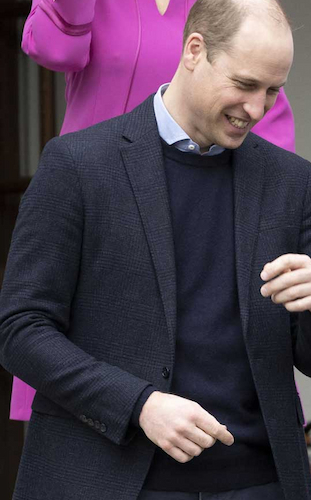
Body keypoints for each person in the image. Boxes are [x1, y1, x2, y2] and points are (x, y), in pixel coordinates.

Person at [0, 1, 311, 499]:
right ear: (194, 51)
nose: (257, 108)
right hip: (111, 478)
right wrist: (139, 405)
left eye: (273, 90)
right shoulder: (78, 166)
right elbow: (22, 332)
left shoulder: (291, 182)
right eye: (245, 84)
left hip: (259, 483)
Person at [11, 0, 296, 422]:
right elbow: (54, 49)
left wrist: (276, 228)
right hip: (99, 218)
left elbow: (263, 122)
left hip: (196, 221)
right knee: (81, 404)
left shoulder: (223, 6)